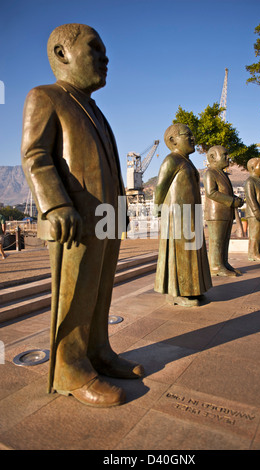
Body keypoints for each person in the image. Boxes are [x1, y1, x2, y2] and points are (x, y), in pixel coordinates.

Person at [21, 23, 143, 408]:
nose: (105, 58)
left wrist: (121, 207)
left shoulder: (96, 112)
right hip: (73, 219)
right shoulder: (46, 96)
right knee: (74, 296)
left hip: (107, 216)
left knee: (101, 290)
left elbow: (109, 166)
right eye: (95, 48)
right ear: (62, 54)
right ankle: (70, 367)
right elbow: (36, 156)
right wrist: (56, 205)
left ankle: (98, 351)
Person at [154, 123, 212, 307]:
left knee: (192, 252)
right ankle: (176, 293)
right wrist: (158, 208)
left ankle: (193, 288)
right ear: (173, 140)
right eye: (187, 135)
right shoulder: (172, 160)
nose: (193, 138)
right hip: (177, 215)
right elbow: (160, 186)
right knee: (180, 254)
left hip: (191, 214)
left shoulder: (186, 161)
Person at [203, 145, 244, 276]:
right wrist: (232, 201)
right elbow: (211, 193)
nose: (228, 157)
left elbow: (226, 192)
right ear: (213, 157)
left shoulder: (223, 174)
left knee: (225, 240)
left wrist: (236, 199)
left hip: (226, 212)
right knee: (217, 241)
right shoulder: (210, 173)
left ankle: (224, 263)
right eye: (225, 155)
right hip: (216, 213)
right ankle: (215, 266)